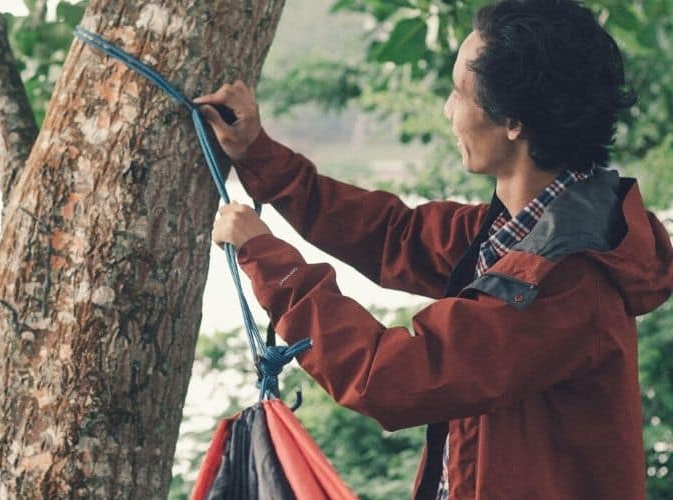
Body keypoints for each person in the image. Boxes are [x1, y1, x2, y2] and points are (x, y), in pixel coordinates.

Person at [195, 0, 673, 498]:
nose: (448, 109)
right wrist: (258, 155)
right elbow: (392, 234)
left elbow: (392, 376)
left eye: (458, 92)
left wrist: (273, 264)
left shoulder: (566, 281)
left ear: (513, 120)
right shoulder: (522, 231)